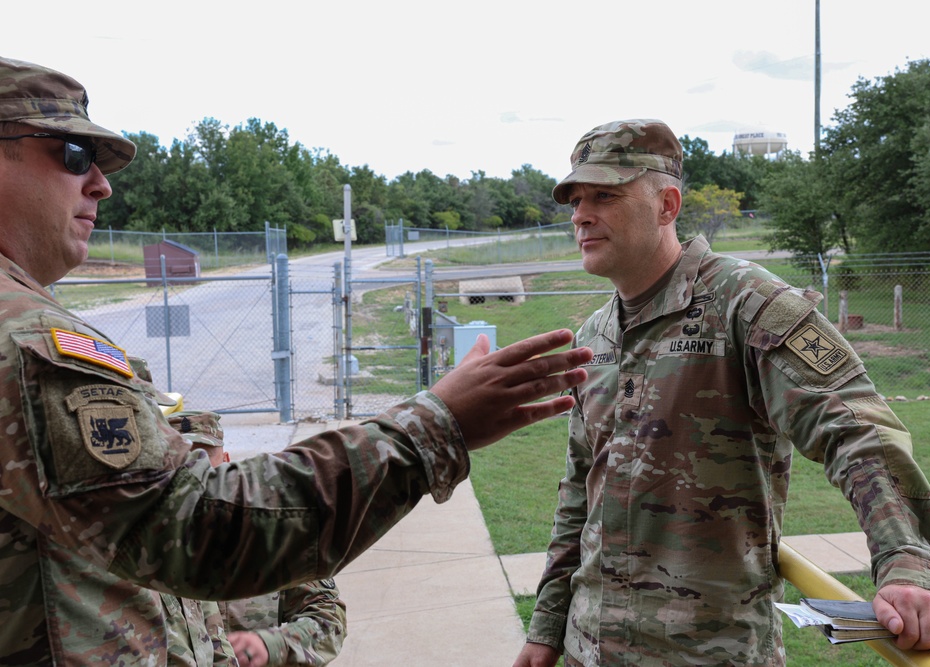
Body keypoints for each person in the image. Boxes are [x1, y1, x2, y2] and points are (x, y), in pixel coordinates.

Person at [0, 55, 592, 665]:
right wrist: (435, 425)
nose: (101, 183)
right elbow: (196, 530)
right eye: (73, 154)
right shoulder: (22, 337)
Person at [513, 119, 930, 667]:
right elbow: (579, 491)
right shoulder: (594, 337)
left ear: (667, 204)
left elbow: (855, 427)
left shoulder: (745, 304)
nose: (581, 215)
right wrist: (549, 625)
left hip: (710, 652)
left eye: (605, 195)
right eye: (576, 200)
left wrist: (907, 562)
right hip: (592, 649)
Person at [176, 413, 348, 667]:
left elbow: (328, 616)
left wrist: (273, 645)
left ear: (224, 461)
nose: (192, 470)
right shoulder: (142, 548)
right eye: (181, 460)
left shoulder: (267, 532)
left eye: (202, 457)